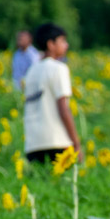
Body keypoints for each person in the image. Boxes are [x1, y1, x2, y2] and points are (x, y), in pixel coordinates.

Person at [23, 23, 81, 164]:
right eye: (62, 41)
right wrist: (76, 143)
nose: (66, 45)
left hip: (33, 143)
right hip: (57, 141)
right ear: (51, 44)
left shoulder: (31, 71)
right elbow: (63, 108)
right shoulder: (58, 68)